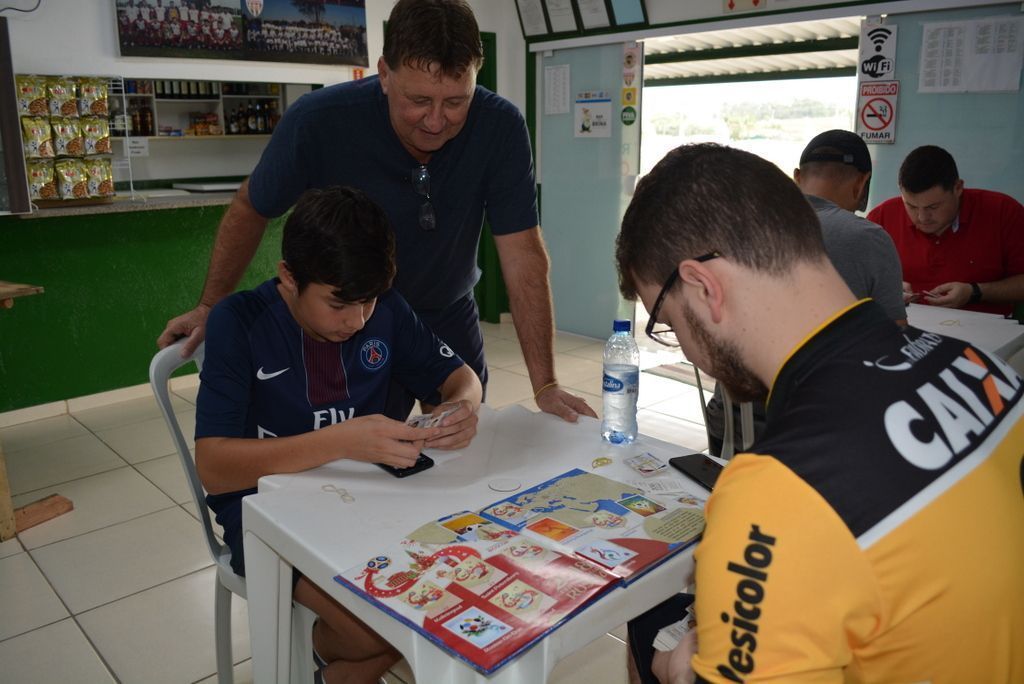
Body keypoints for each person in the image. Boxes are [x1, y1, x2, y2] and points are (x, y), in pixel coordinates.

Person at [616, 143, 1024, 683]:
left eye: (666, 321)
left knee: (648, 635)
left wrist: (677, 669)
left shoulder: (777, 492)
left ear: (704, 287)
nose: (686, 350)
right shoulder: (978, 367)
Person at [158, 0, 595, 425]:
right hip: (356, 318)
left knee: (459, 440)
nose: (436, 121)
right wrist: (210, 305)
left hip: (448, 309)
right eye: (419, 100)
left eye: (456, 102)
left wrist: (546, 385)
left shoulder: (500, 127)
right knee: (357, 460)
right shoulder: (319, 121)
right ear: (385, 74)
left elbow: (522, 255)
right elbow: (251, 207)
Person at [194, 185, 483, 684]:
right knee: (378, 632)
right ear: (289, 277)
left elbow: (462, 379)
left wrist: (461, 409)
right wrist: (342, 440)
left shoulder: (385, 310)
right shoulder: (239, 322)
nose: (357, 321)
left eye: (368, 301)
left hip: (367, 495)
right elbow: (214, 467)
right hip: (262, 512)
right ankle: (310, 654)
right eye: (338, 304)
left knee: (446, 601)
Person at [703, 130, 907, 457]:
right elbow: (893, 342)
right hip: (818, 428)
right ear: (862, 183)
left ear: (797, 178)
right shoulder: (868, 238)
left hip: (733, 418)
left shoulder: (740, 226)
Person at [867, 145, 1024, 317]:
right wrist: (885, 289)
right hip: (904, 327)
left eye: (933, 207)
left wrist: (975, 292)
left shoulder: (1003, 212)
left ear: (958, 188)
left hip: (985, 329)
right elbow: (854, 281)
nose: (922, 217)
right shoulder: (881, 218)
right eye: (911, 206)